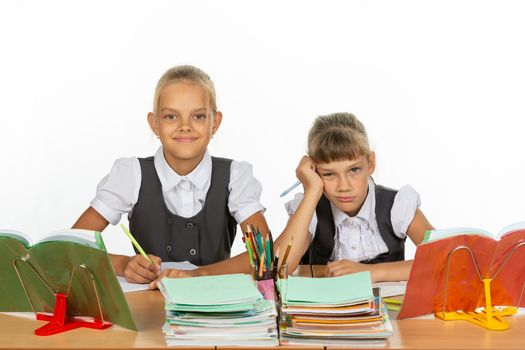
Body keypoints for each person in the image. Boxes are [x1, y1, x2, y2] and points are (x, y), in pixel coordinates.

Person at [73, 65, 269, 285]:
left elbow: (264, 255)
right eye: (170, 116)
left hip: (215, 309)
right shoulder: (131, 175)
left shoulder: (235, 176)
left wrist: (199, 274)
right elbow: (71, 247)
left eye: (198, 116)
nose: (185, 126)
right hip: (148, 306)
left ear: (215, 123)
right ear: (154, 123)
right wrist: (123, 264)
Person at [278, 112, 434, 281]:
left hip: (389, 307)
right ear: (314, 172)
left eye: (354, 170)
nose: (344, 187)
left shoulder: (396, 205)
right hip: (326, 306)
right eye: (329, 174)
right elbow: (278, 268)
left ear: (371, 163)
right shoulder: (311, 211)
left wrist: (371, 272)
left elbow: (447, 259)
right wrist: (312, 190)